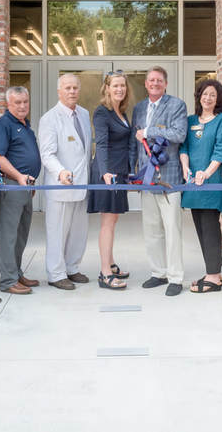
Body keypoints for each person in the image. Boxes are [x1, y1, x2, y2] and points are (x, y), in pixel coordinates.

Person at [129, 66, 188, 296]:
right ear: (145, 84)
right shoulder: (139, 108)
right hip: (146, 178)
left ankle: (175, 277)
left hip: (169, 178)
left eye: (159, 80)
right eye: (151, 80)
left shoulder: (176, 105)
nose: (155, 83)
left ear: (165, 83)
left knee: (172, 229)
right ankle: (158, 272)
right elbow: (136, 142)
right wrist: (133, 170)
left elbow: (179, 134)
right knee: (151, 229)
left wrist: (149, 131)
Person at [38, 74, 92, 290]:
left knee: (78, 232)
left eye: (75, 88)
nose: (72, 92)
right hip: (61, 185)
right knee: (58, 231)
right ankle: (56, 273)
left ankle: (72, 268)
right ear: (59, 91)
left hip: (82, 184)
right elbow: (47, 153)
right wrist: (60, 171)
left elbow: (85, 150)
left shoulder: (84, 114)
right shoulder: (50, 118)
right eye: (68, 88)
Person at [179, 79, 222, 293]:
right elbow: (184, 147)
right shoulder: (191, 120)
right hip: (193, 183)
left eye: (212, 94)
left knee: (211, 228)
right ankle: (213, 273)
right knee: (200, 228)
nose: (208, 98)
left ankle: (213, 277)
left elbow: (221, 151)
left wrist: (206, 173)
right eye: (205, 93)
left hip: (211, 182)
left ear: (218, 99)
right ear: (199, 96)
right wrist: (185, 168)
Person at [0, 86, 42, 294]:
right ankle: (8, 280)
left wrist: (29, 182)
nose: (22, 106)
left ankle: (17, 273)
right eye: (17, 103)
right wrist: (20, 176)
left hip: (25, 187)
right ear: (8, 104)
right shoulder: (3, 125)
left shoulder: (25, 125)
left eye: (25, 102)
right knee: (8, 235)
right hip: (10, 185)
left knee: (21, 234)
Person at [88, 72, 133, 290]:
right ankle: (105, 273)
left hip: (119, 172)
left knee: (112, 221)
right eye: (115, 85)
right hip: (109, 174)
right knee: (107, 223)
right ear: (107, 88)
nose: (119, 89)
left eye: (122, 85)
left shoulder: (121, 112)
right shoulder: (102, 112)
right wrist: (105, 172)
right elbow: (102, 144)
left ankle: (111, 263)